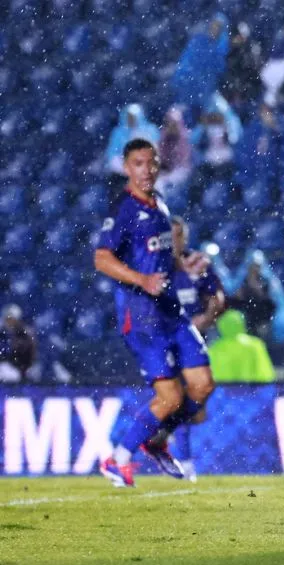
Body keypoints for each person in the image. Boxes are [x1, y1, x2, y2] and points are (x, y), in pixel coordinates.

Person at [93, 139, 216, 487]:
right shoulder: (123, 210)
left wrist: (183, 264)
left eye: (151, 163)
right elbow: (101, 258)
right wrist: (141, 280)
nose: (146, 170)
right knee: (171, 397)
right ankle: (117, 460)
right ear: (126, 167)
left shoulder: (159, 202)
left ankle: (158, 439)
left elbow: (158, 255)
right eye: (138, 164)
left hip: (172, 311)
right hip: (143, 316)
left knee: (202, 385)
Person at [169, 216, 226, 481]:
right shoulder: (153, 266)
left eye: (178, 235)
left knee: (194, 404)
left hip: (197, 339)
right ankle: (185, 461)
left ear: (185, 237)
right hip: (166, 341)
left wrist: (204, 318)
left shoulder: (198, 264)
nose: (174, 241)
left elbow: (217, 297)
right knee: (176, 399)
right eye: (169, 235)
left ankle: (176, 451)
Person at [207, 309, 275, 383]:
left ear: (220, 326)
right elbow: (266, 374)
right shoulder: (255, 344)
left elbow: (212, 378)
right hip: (251, 391)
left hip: (226, 391)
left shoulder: (215, 348)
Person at [105, 103, 160, 175]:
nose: (130, 119)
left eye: (133, 117)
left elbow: (157, 149)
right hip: (123, 173)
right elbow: (112, 154)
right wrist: (124, 168)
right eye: (128, 117)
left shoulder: (150, 130)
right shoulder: (119, 132)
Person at [0, 304, 36, 382]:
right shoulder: (1, 333)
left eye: (12, 319)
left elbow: (28, 355)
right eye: (7, 319)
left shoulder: (24, 334)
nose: (9, 322)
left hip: (19, 370)